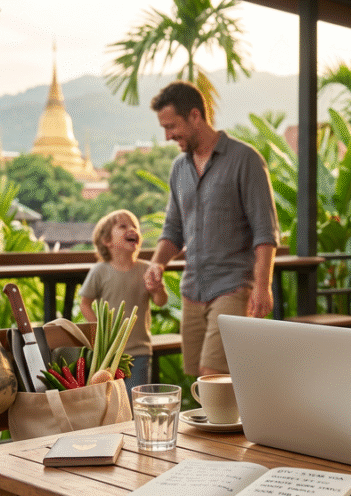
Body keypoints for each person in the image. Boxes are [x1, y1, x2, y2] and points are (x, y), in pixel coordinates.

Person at [143, 81, 280, 378]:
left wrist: (263, 285)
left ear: (195, 116)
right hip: (193, 289)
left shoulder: (245, 160)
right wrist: (157, 264)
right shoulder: (180, 169)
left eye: (172, 126)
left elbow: (264, 231)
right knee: (199, 377)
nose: (167, 136)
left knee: (213, 374)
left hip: (233, 286)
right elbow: (173, 229)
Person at [80, 209, 168, 393]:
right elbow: (85, 303)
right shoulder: (99, 271)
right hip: (109, 354)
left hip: (140, 351)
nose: (132, 229)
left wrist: (158, 288)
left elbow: (160, 301)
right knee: (111, 401)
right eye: (123, 226)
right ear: (107, 241)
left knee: (137, 400)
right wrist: (98, 329)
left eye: (134, 226)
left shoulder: (147, 269)